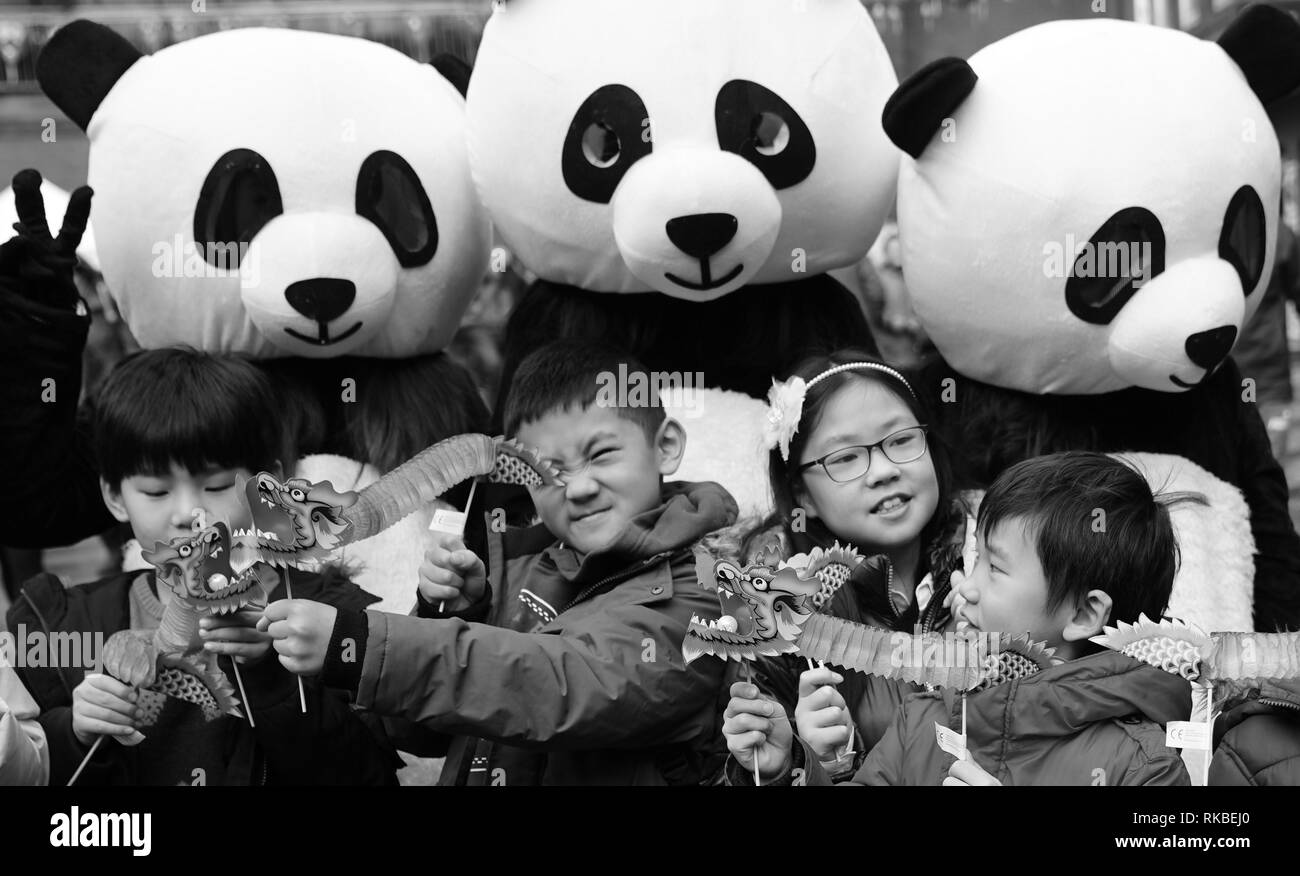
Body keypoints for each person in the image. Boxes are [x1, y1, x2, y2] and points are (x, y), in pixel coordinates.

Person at [261, 341, 738, 785]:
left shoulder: (702, 597)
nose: (578, 488)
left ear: (667, 446)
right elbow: (414, 735)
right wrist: (451, 613)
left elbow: (558, 686)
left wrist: (359, 643)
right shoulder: (514, 566)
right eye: (548, 472)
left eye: (602, 454)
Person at [5, 348, 401, 785]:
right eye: (156, 491)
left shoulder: (329, 616)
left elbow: (368, 773)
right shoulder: (64, 626)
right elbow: (27, 767)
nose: (189, 513)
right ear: (115, 496)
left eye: (215, 485)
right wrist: (75, 732)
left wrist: (270, 676)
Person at [723, 451, 1193, 786]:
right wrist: (796, 768)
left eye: (996, 567)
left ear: (1086, 613)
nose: (965, 585)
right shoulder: (923, 719)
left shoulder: (1143, 767)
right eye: (974, 558)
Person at [724, 350, 974, 778]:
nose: (883, 471)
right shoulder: (775, 616)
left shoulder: (991, 561)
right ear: (802, 494)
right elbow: (748, 766)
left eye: (901, 440)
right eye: (845, 458)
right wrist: (802, 761)